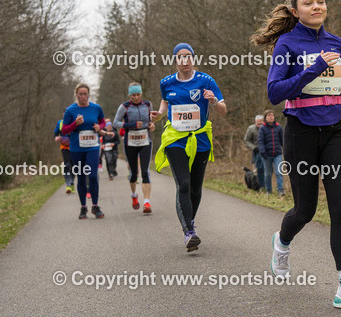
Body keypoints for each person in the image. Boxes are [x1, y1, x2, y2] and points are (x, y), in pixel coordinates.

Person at [251, 0, 341, 311]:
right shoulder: (286, 44)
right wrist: (312, 68)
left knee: (340, 208)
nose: (317, 6)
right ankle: (282, 242)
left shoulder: (337, 44)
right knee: (305, 210)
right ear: (295, 11)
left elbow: (340, 80)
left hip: (335, 132)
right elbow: (275, 93)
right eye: (309, 2)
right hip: (300, 132)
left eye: (321, 1)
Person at [152, 43, 226, 251]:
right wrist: (159, 115)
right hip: (175, 138)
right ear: (175, 60)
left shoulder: (206, 81)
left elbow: (223, 110)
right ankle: (189, 232)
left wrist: (213, 101)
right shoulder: (166, 83)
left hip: (200, 138)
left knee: (195, 187)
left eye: (188, 56)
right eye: (180, 57)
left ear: (193, 58)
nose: (184, 61)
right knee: (183, 184)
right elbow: (165, 103)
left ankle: (189, 222)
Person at [61, 83, 106, 219]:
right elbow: (64, 130)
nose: (83, 96)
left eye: (85, 94)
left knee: (92, 175)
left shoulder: (96, 108)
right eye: (80, 94)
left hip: (92, 146)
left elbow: (103, 122)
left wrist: (99, 127)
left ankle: (95, 206)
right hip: (76, 147)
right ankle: (83, 208)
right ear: (76, 95)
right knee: (81, 177)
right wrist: (75, 124)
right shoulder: (70, 110)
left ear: (88, 94)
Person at [114, 83, 155, 213]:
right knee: (133, 174)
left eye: (138, 95)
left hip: (145, 141)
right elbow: (116, 123)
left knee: (145, 172)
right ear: (129, 95)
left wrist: (151, 125)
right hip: (130, 142)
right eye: (133, 95)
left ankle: (147, 202)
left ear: (141, 94)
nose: (136, 97)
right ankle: (134, 196)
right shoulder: (124, 107)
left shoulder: (148, 105)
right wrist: (131, 125)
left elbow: (151, 120)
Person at [257, 110, 284, 196]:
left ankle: (280, 190)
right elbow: (260, 141)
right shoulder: (262, 128)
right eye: (269, 115)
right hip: (266, 155)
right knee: (268, 174)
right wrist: (263, 152)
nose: (271, 117)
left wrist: (286, 150)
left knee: (279, 172)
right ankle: (268, 190)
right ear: (265, 117)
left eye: (272, 115)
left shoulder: (279, 127)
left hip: (277, 154)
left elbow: (283, 140)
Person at [244, 114, 266, 190]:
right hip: (256, 152)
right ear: (255, 122)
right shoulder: (251, 129)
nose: (260, 126)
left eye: (261, 124)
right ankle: (258, 186)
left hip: (266, 151)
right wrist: (254, 148)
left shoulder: (267, 128)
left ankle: (266, 186)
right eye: (258, 124)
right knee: (257, 169)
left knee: (266, 169)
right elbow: (246, 141)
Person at [55, 118, 74, 194]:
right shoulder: (60, 122)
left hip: (74, 147)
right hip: (64, 146)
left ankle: (72, 182)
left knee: (74, 166)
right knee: (67, 165)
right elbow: (56, 133)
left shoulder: (75, 121)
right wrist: (56, 137)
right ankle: (68, 185)